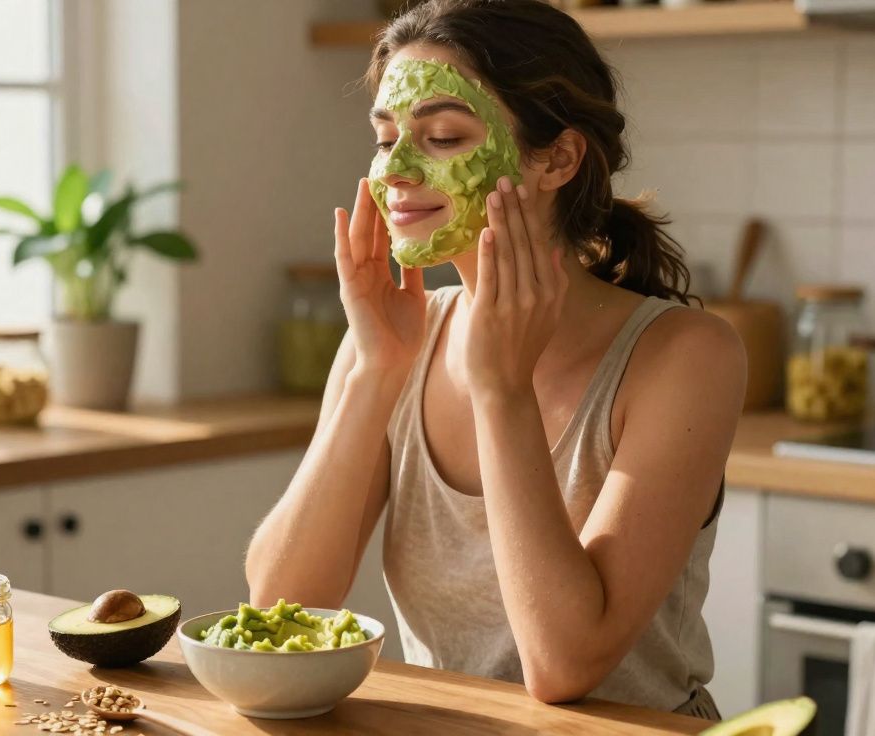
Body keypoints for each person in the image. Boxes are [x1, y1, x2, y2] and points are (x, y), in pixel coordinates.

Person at [245, 0, 745, 719]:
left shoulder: (685, 357)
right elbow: (281, 608)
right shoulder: (392, 341)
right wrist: (375, 370)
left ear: (558, 158)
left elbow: (566, 664)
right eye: (385, 140)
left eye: (444, 135)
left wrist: (502, 389)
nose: (398, 171)